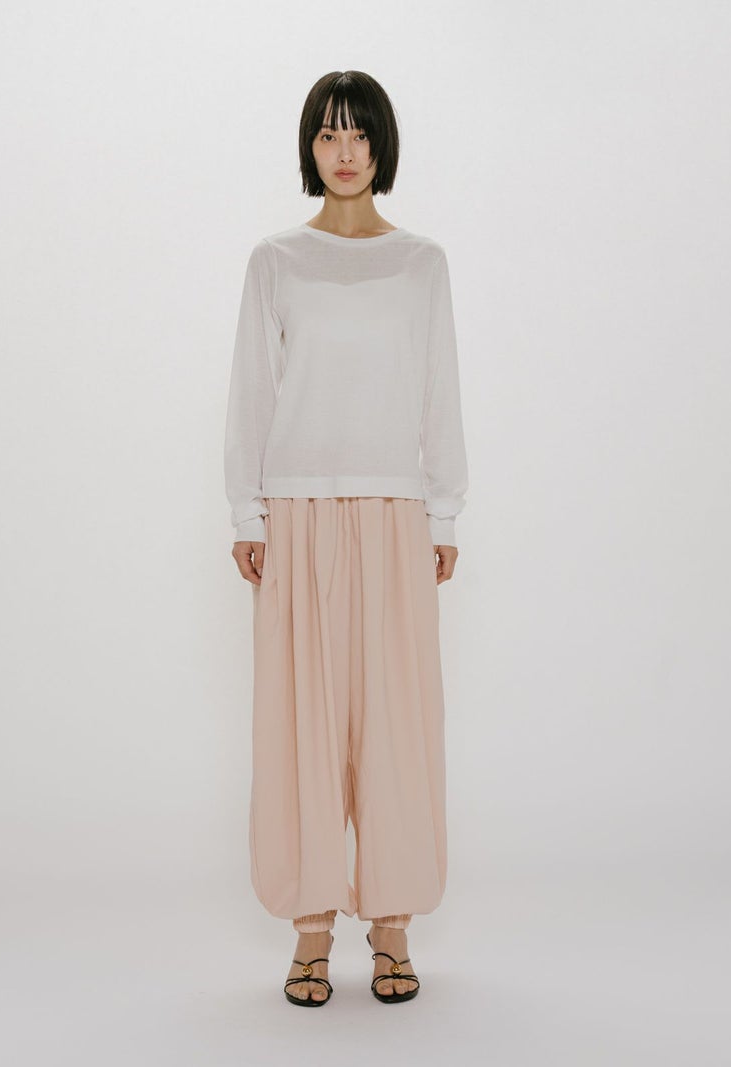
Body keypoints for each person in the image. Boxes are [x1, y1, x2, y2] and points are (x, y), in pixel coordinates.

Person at [223, 70, 469, 1006]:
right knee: (302, 723)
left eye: (360, 133)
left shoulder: (421, 263)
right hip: (297, 511)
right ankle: (312, 928)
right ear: (310, 148)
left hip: (394, 511)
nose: (345, 152)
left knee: (395, 721)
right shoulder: (276, 261)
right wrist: (247, 511)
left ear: (382, 145)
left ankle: (393, 924)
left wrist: (443, 510)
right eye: (328, 134)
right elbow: (252, 387)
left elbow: (440, 386)